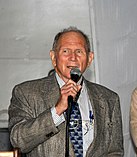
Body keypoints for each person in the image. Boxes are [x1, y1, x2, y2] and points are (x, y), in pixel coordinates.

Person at [8, 26, 124, 157]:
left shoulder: (109, 99)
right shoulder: (26, 92)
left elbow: (115, 152)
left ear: (90, 58)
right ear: (53, 57)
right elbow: (18, 140)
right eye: (65, 51)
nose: (73, 57)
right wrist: (57, 111)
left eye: (79, 51)